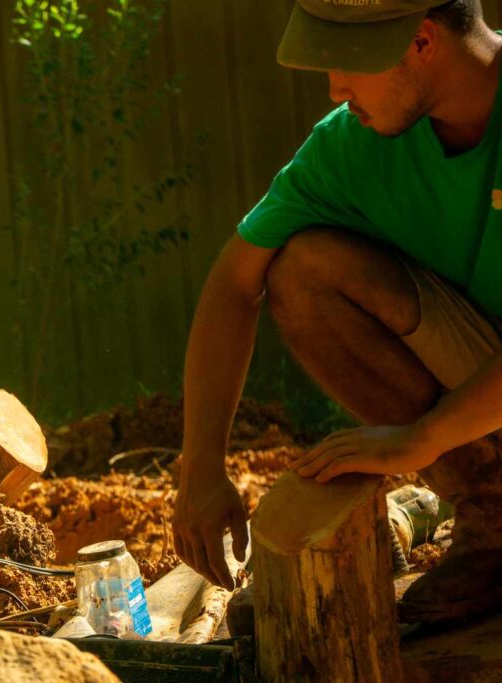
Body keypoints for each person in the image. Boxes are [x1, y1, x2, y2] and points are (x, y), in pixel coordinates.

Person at [173, 0, 502, 622]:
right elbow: (232, 283)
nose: (334, 90)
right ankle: (491, 517)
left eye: (348, 64)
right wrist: (201, 467)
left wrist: (418, 441)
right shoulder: (351, 144)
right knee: (303, 269)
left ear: (422, 42)